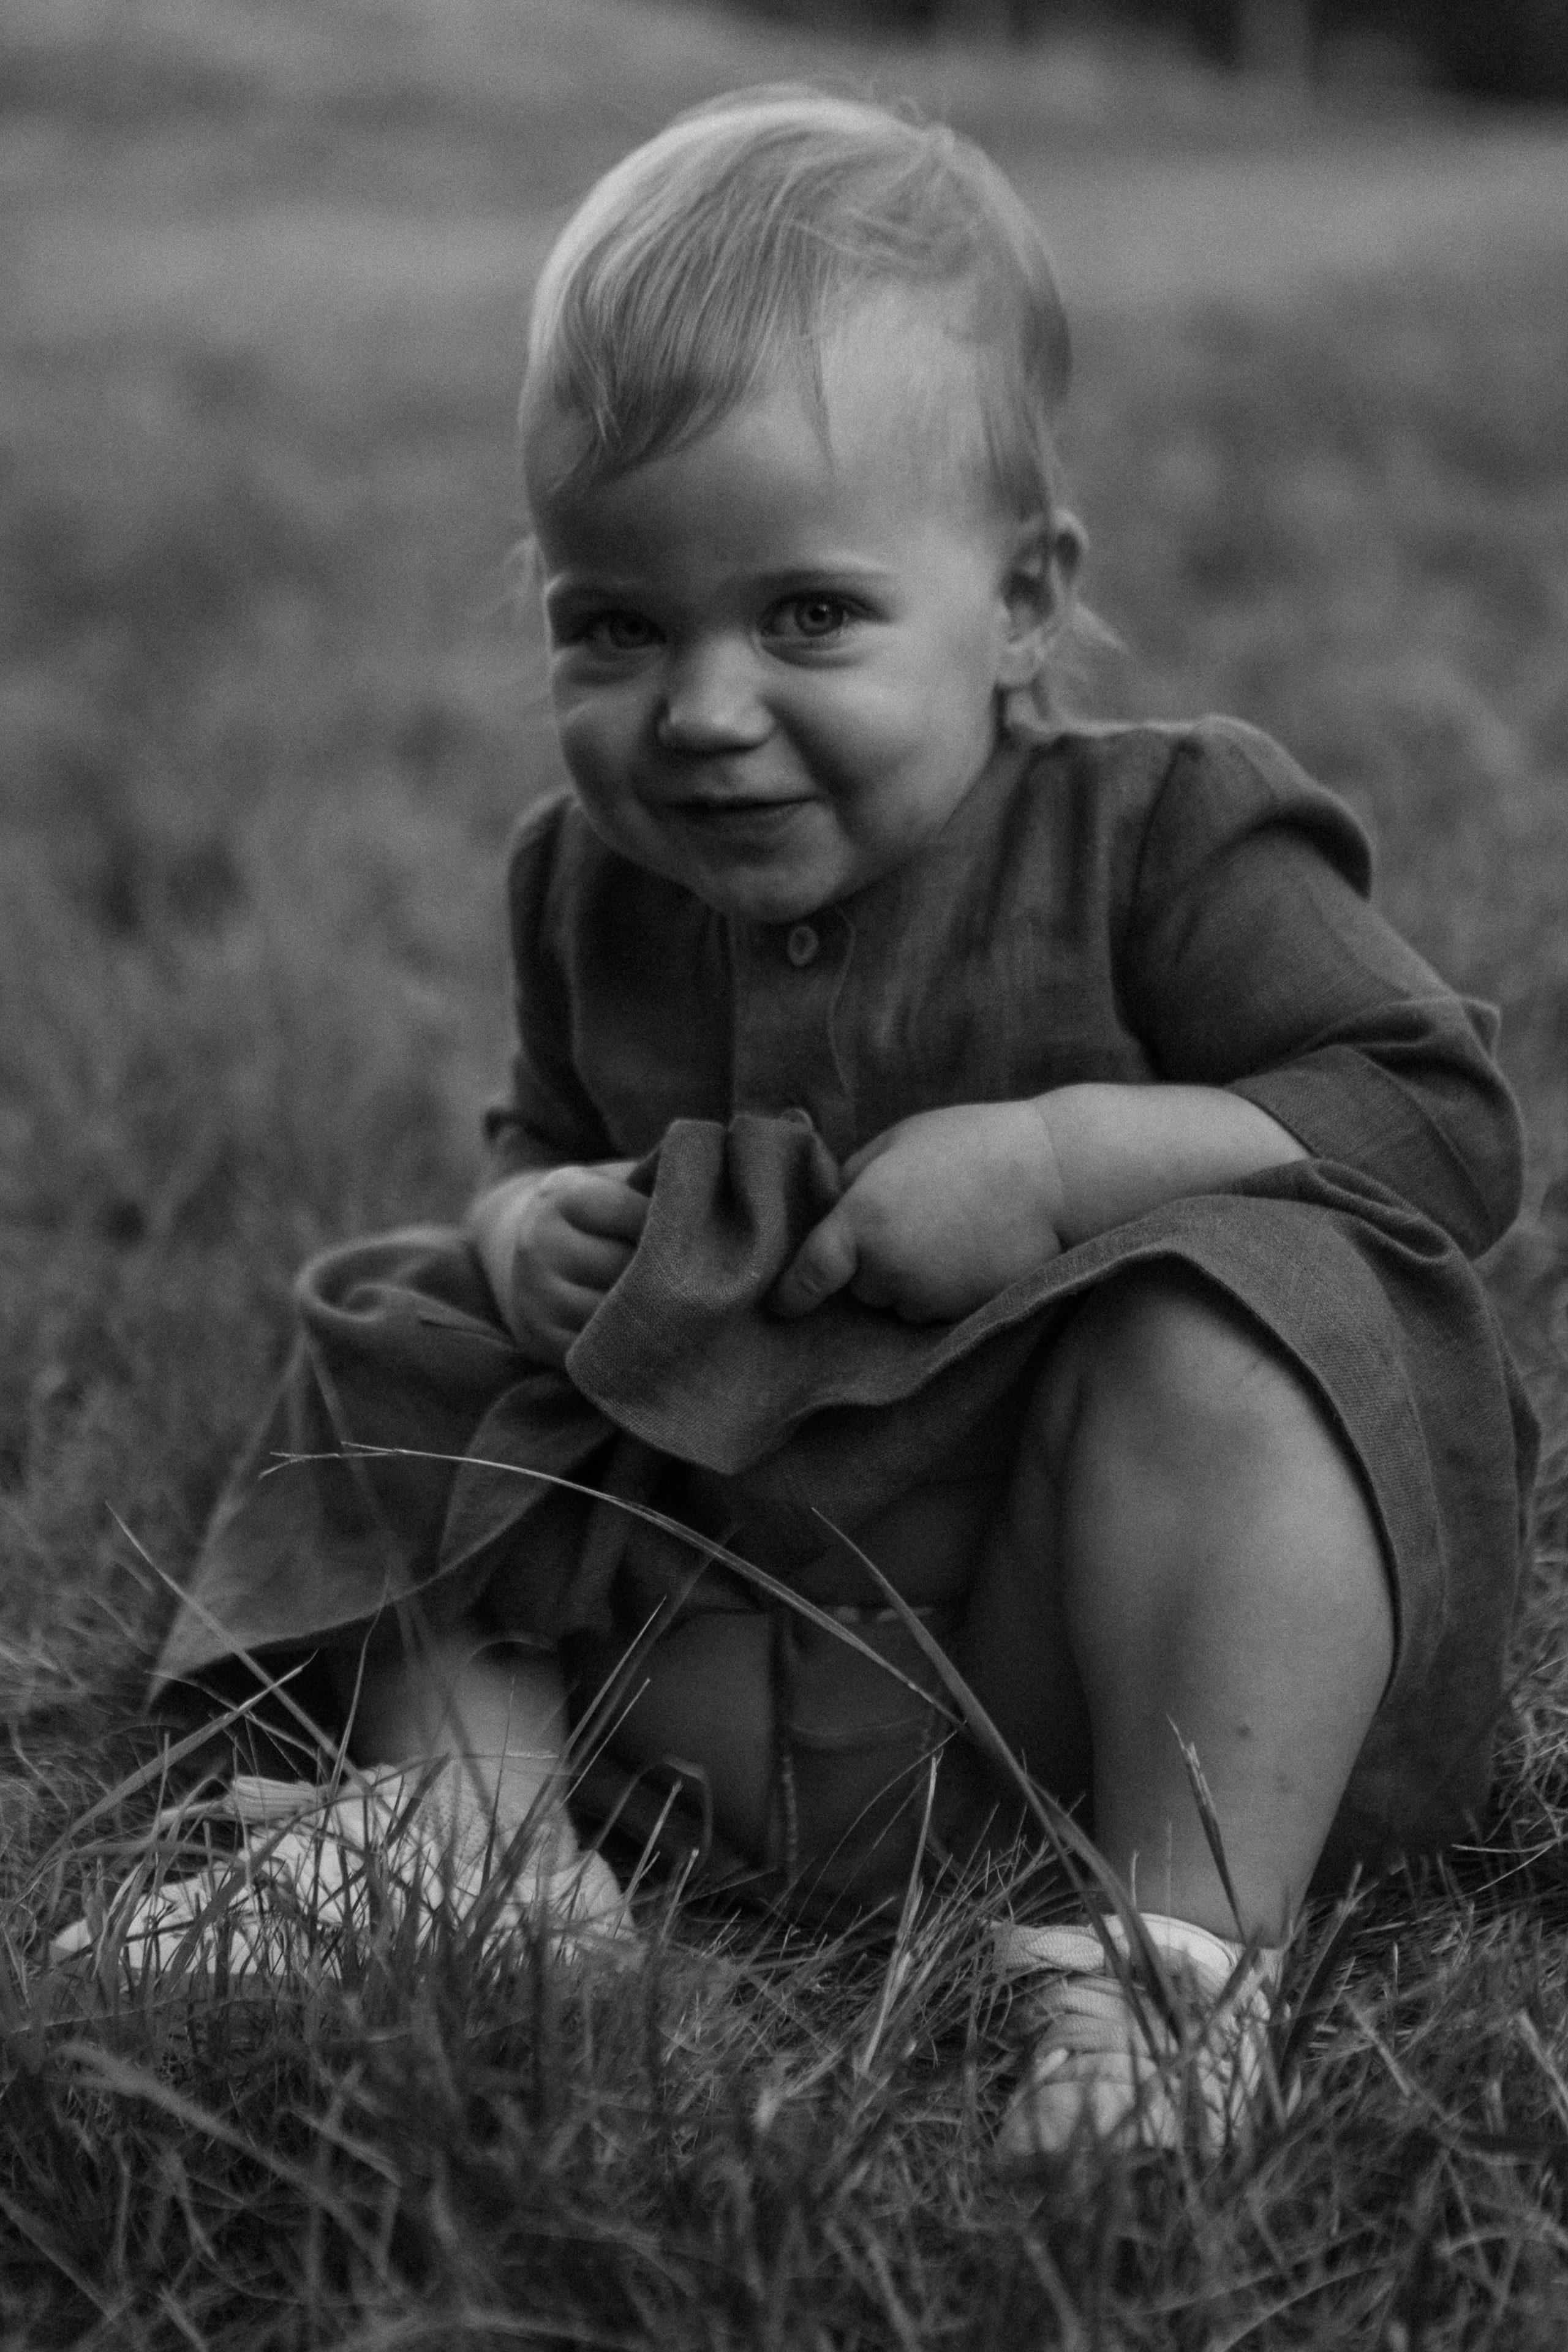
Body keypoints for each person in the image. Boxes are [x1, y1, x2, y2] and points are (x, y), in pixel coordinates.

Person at [143, 87, 1534, 2153]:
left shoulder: (1160, 831)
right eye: (613, 623)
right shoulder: (585, 884)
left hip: (1079, 1660)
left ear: (1025, 601)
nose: (702, 713)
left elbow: (1436, 1127)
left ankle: (1175, 1964)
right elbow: (540, 1137)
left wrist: (1070, 1162)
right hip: (709, 1652)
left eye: (806, 616)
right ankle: (479, 1841)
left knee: (1241, 1325)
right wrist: (536, 1226)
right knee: (417, 1316)